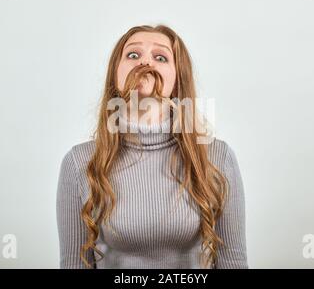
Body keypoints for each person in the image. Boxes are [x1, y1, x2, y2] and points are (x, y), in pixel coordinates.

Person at [56, 24, 248, 269]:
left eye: (160, 57)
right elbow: (73, 265)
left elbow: (234, 262)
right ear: (116, 74)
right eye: (133, 55)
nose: (145, 63)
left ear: (178, 81)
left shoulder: (218, 158)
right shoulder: (79, 163)